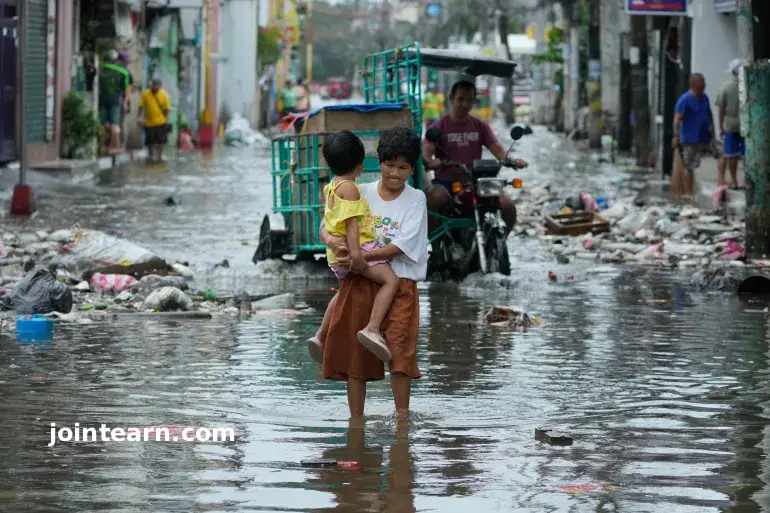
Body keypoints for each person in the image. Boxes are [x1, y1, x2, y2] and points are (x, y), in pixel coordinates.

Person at [316, 125, 427, 420]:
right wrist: (334, 243)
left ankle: (402, 417)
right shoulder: (357, 190)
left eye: (403, 168)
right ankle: (356, 420)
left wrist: (361, 257)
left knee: (400, 352)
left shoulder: (416, 199)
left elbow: (402, 246)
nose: (394, 173)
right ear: (377, 160)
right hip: (360, 281)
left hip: (400, 282)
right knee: (357, 355)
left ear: (412, 168)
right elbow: (326, 225)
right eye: (389, 165)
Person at [308, 130, 401, 363]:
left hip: (335, 255)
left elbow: (329, 221)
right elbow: (351, 225)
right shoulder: (350, 189)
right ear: (360, 165)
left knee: (342, 293)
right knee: (391, 281)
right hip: (355, 251)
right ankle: (372, 327)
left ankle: (320, 336)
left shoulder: (331, 186)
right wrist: (358, 257)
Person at [422, 80, 527, 236]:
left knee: (508, 207)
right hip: (448, 183)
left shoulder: (480, 126)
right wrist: (431, 162)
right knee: (433, 199)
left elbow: (497, 149)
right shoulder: (438, 127)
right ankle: (436, 247)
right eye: (461, 99)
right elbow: (427, 151)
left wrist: (511, 160)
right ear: (451, 98)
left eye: (470, 100)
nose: (465, 104)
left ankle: (498, 246)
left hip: (475, 182)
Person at [673, 73, 719, 199]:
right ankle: (688, 193)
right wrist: (676, 137)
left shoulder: (704, 98)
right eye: (701, 85)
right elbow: (677, 119)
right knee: (689, 166)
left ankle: (721, 184)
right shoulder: (685, 100)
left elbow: (709, 115)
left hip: (705, 137)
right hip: (689, 139)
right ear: (694, 85)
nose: (703, 87)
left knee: (721, 154)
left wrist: (713, 132)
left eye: (704, 84)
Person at [716, 59, 744, 189]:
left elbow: (721, 109)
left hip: (731, 126)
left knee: (731, 155)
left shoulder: (726, 87)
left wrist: (721, 126)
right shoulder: (749, 85)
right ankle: (748, 181)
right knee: (746, 156)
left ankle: (734, 181)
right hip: (747, 125)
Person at [99, 50, 133, 153]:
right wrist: (125, 103)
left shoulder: (102, 68)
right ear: (119, 60)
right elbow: (128, 90)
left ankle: (102, 146)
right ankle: (115, 147)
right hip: (116, 101)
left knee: (103, 124)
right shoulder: (125, 73)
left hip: (102, 99)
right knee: (115, 125)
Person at [138, 78, 171, 162]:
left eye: (158, 86)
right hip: (149, 123)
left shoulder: (164, 95)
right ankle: (150, 155)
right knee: (150, 142)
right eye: (154, 86)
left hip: (161, 122)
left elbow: (167, 109)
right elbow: (141, 106)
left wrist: (166, 120)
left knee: (161, 141)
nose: (156, 88)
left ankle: (160, 156)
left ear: (160, 86)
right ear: (151, 85)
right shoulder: (145, 94)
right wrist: (139, 117)